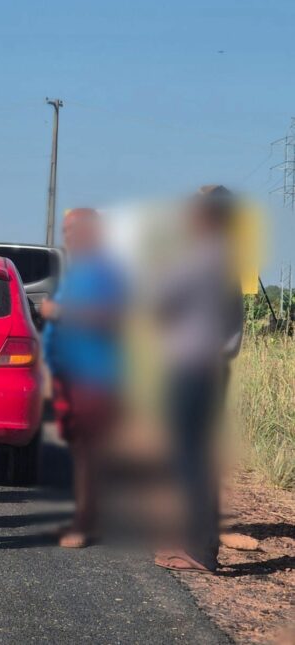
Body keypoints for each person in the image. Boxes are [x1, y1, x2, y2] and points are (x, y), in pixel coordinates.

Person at [153, 185, 243, 573]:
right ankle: (197, 543)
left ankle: (197, 549)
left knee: (189, 457)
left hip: (191, 365)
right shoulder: (226, 256)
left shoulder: (198, 255)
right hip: (214, 364)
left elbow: (160, 300)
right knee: (197, 456)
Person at [41, 208, 126, 549]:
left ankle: (86, 523)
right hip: (72, 375)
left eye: (73, 230)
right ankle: (85, 519)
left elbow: (112, 316)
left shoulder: (105, 271)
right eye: (65, 230)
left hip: (94, 375)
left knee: (89, 452)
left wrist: (58, 311)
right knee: (81, 451)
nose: (68, 237)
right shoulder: (79, 271)